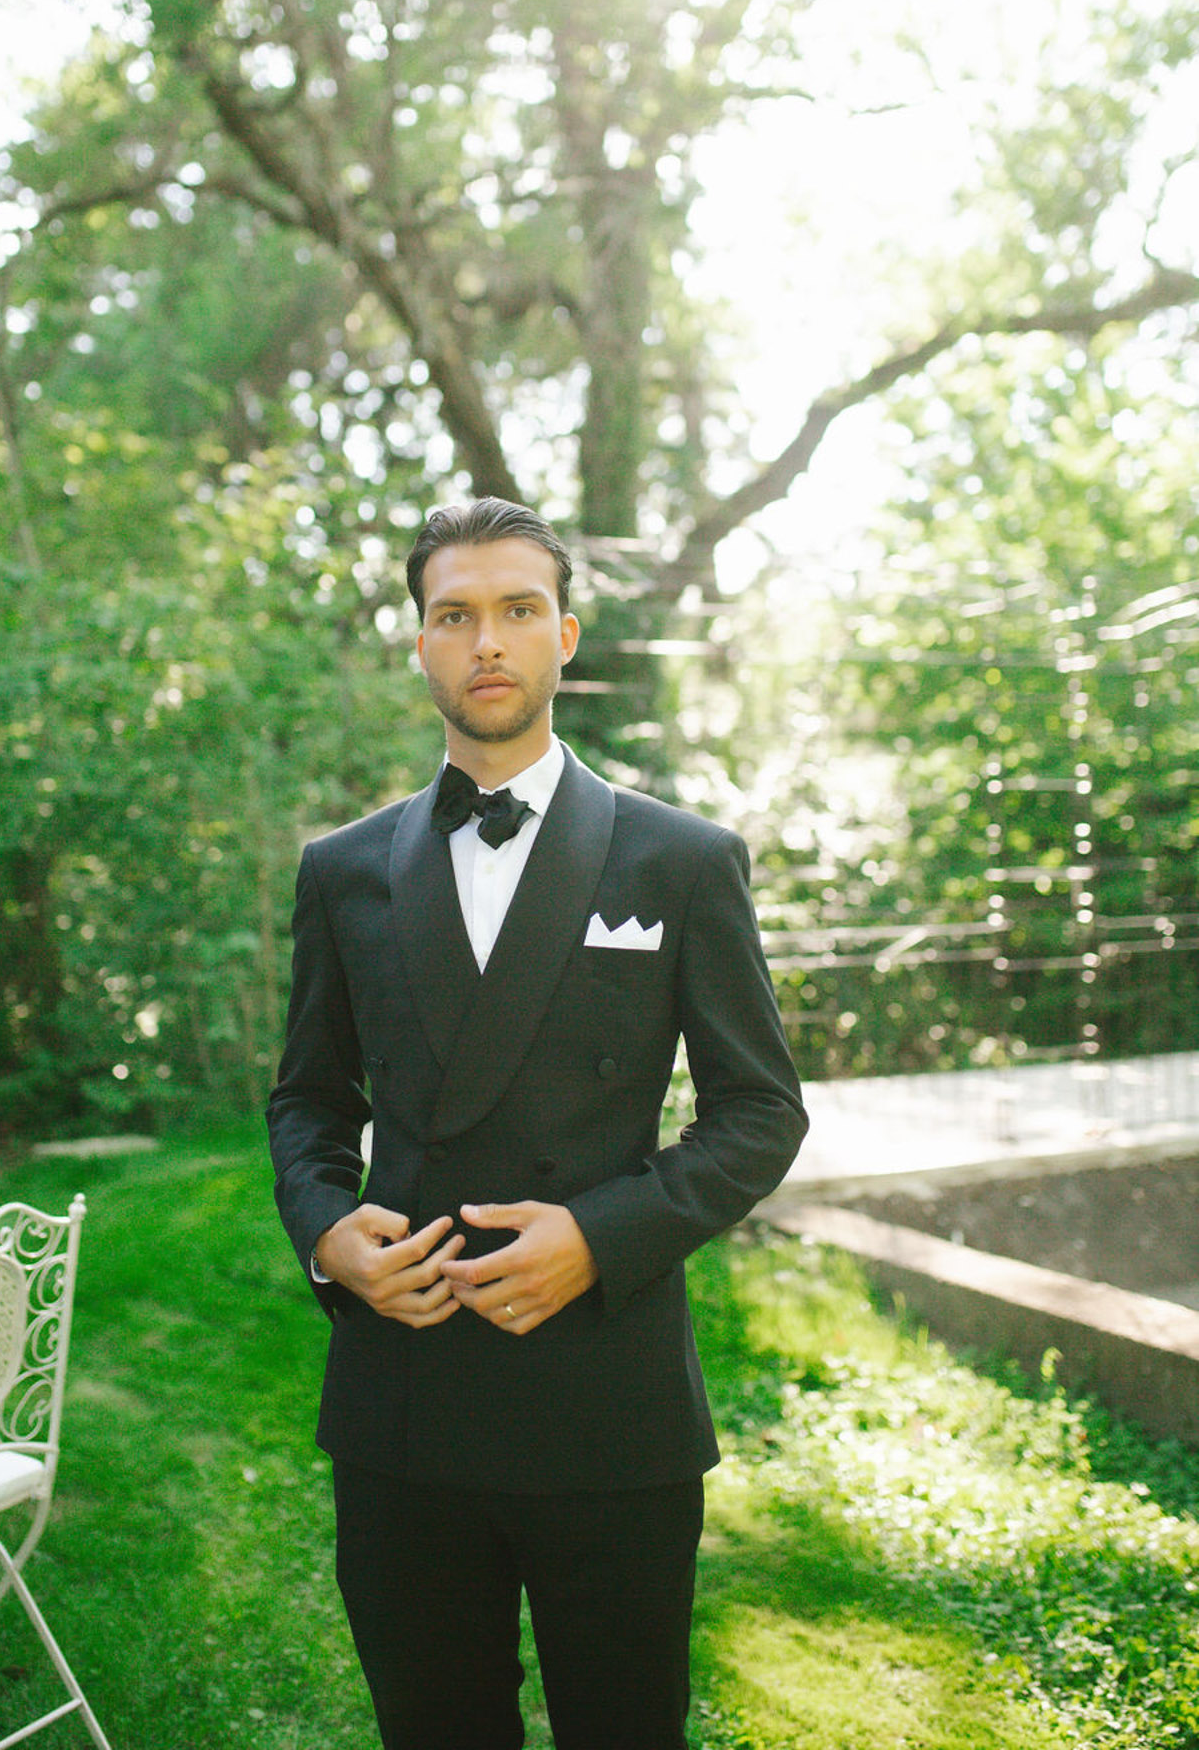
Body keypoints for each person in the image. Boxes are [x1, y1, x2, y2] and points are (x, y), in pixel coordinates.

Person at [266, 497, 807, 1750]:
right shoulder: (341, 868)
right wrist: (327, 1232)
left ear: (565, 635)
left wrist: (601, 1236)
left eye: (518, 609)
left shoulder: (683, 858)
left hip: (607, 1400)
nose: (488, 640)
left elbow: (760, 1110)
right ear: (421, 643)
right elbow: (308, 1098)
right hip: (404, 1403)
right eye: (454, 614)